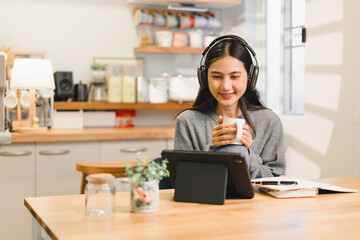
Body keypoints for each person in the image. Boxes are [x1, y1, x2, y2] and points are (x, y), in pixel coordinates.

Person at [174, 35, 286, 179]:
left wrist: (247, 154)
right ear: (204, 78)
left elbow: (276, 179)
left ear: (250, 78)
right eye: (216, 76)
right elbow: (184, 180)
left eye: (234, 77)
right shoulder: (188, 121)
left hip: (255, 202)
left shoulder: (269, 121)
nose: (226, 87)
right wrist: (213, 150)